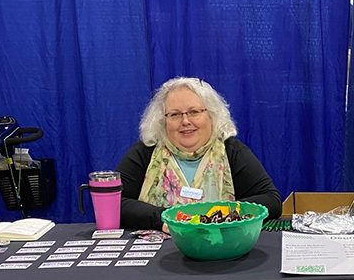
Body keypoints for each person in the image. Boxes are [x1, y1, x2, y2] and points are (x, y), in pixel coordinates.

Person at [117, 77, 282, 233]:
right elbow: (115, 204)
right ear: (162, 120)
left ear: (211, 115)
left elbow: (272, 201)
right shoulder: (144, 153)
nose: (185, 121)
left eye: (194, 112)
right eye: (174, 114)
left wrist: (223, 214)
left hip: (220, 248)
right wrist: (163, 219)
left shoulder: (232, 151)